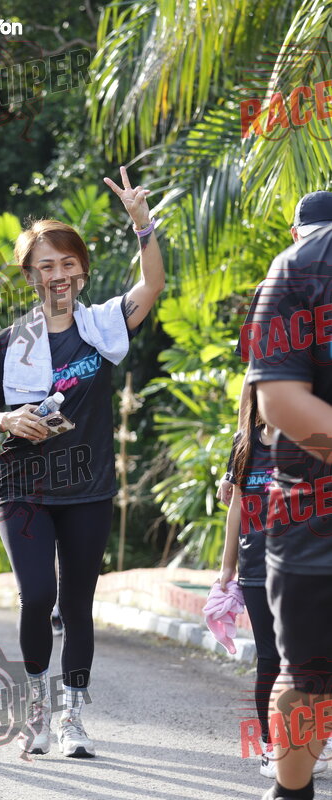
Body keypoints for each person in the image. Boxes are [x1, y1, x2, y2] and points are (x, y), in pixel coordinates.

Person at [0, 167, 165, 758]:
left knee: (76, 605)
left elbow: (152, 284)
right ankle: (37, 706)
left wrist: (142, 224)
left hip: (87, 487)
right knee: (37, 596)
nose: (57, 274)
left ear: (81, 268)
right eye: (45, 266)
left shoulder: (103, 326)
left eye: (66, 263)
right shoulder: (10, 342)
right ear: (30, 275)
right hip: (23, 485)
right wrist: (7, 420)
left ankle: (72, 717)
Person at [243, 202, 332, 799]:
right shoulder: (301, 267)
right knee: (310, 679)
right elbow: (279, 402)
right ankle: (291, 789)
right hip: (314, 516)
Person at [217, 191, 332, 508]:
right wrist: (236, 460)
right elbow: (254, 379)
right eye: (312, 238)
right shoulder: (273, 290)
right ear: (295, 236)